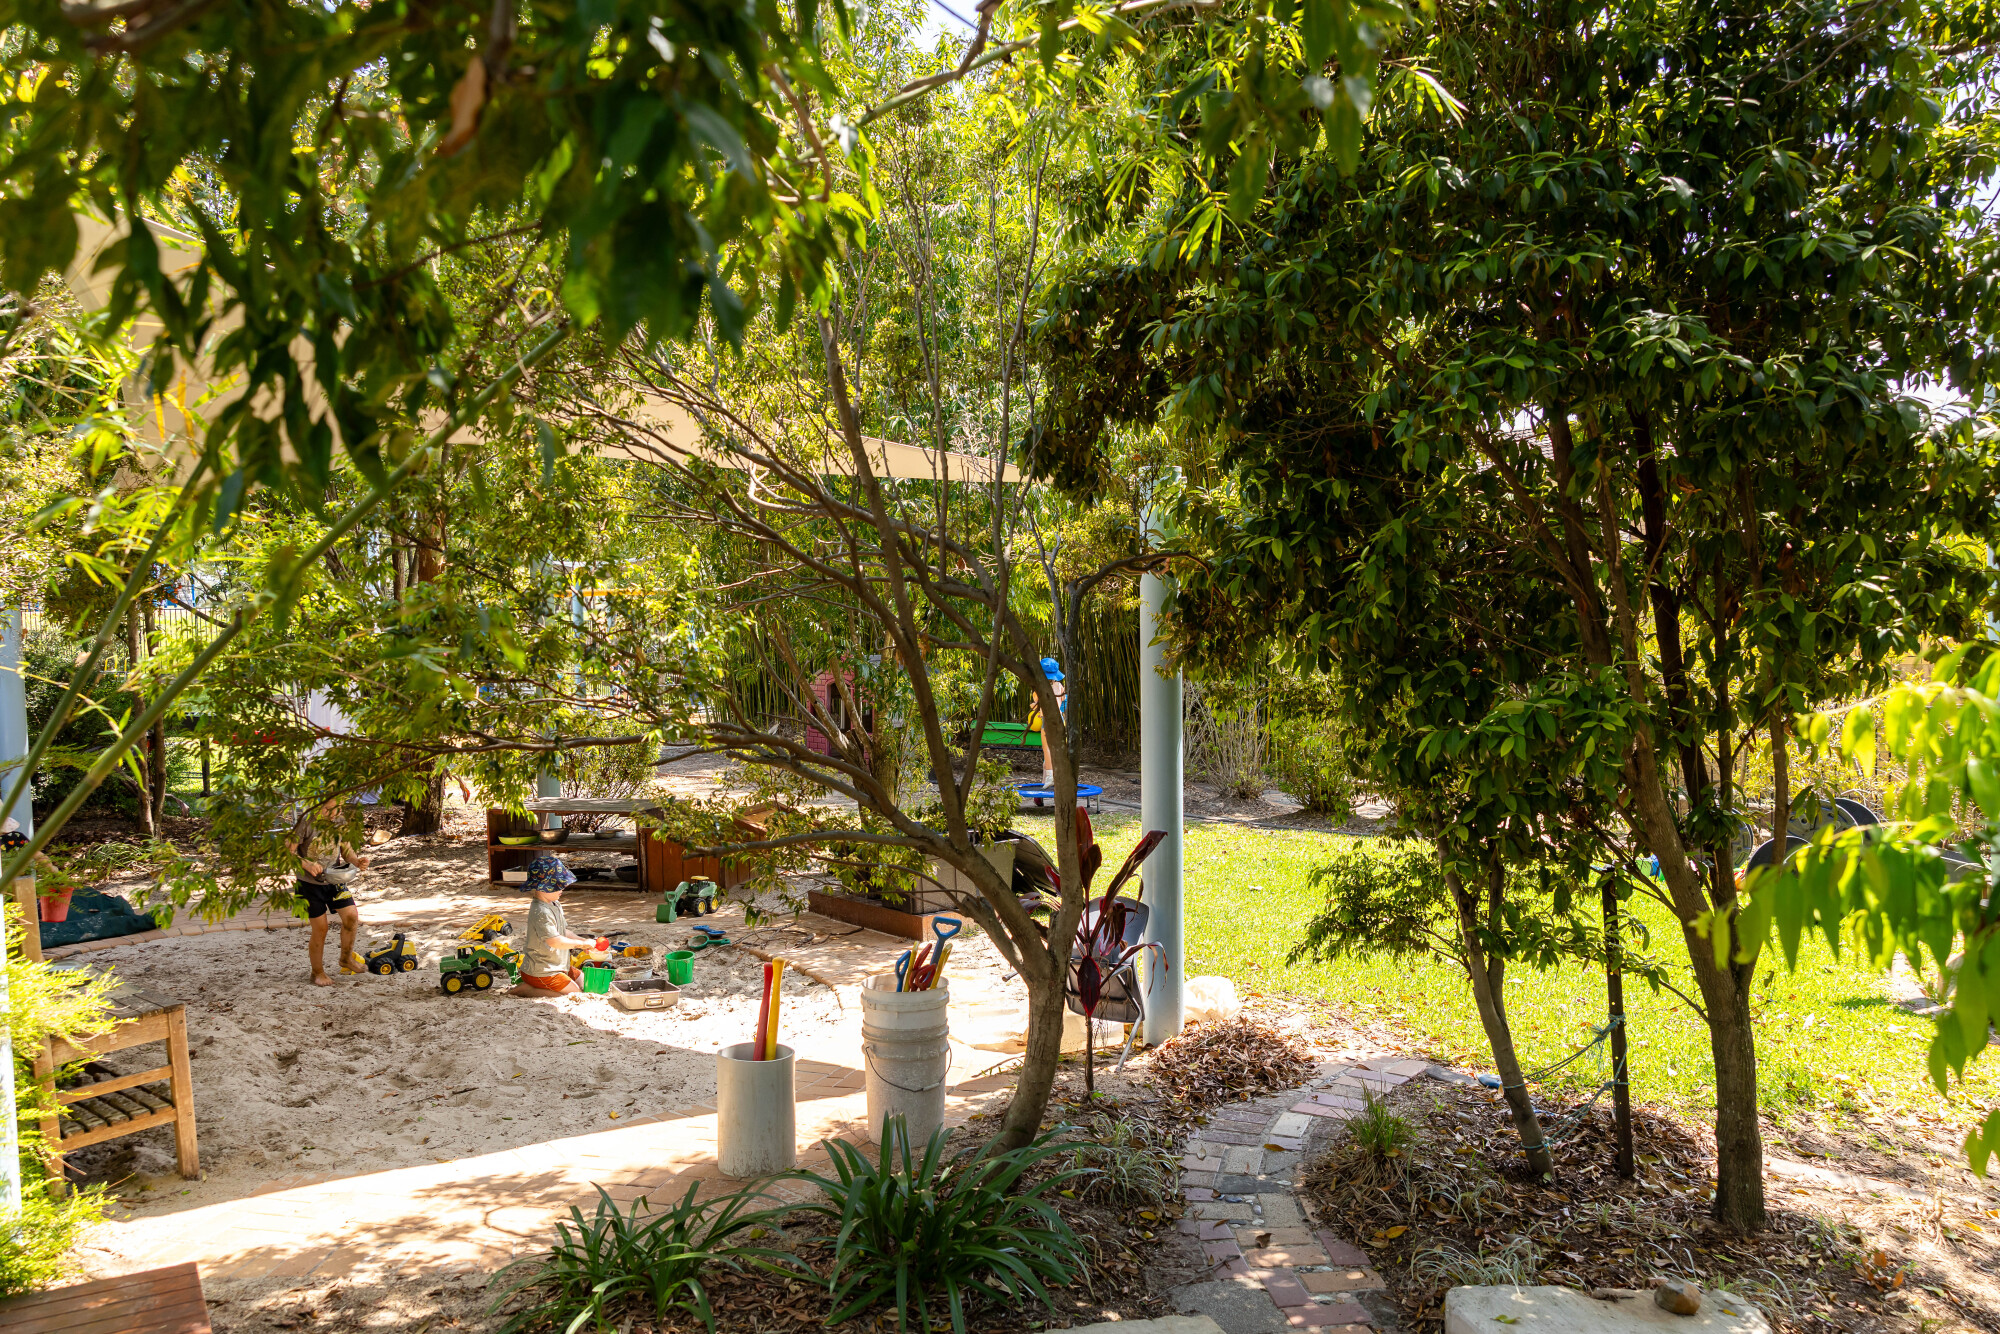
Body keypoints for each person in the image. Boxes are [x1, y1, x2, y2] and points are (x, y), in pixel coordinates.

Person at [291, 801, 370, 986]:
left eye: (338, 810)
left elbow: (346, 850)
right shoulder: (305, 822)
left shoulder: (339, 821)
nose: (333, 814)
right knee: (321, 929)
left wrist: (356, 861)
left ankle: (346, 959)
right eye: (327, 810)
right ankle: (317, 973)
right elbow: (288, 853)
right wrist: (307, 864)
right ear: (317, 805)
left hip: (334, 880)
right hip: (308, 884)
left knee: (351, 917)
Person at [511, 852, 595, 996]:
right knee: (573, 994)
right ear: (543, 886)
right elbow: (554, 941)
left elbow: (562, 932)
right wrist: (579, 944)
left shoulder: (554, 903)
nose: (562, 888)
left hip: (559, 965)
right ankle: (527, 990)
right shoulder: (541, 911)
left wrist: (583, 941)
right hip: (542, 970)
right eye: (557, 885)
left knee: (585, 982)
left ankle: (536, 987)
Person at [1027, 656, 1068, 789]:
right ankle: (1057, 774)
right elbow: (1064, 702)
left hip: (1047, 720)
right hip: (1060, 720)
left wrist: (1032, 706)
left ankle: (1050, 776)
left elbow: (1037, 706)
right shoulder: (1059, 685)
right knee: (1058, 748)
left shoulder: (1039, 689)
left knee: (1047, 749)